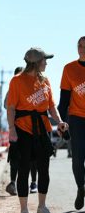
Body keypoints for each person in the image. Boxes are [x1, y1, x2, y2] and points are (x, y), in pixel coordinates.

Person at [7, 47, 68, 213]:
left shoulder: (45, 80)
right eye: (44, 60)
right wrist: (11, 128)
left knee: (43, 169)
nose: (46, 63)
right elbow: (11, 107)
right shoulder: (17, 81)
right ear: (35, 62)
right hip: (22, 129)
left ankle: (42, 206)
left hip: (42, 130)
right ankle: (24, 208)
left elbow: (51, 106)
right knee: (23, 169)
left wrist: (60, 121)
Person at [58, 36, 85, 210]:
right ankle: (81, 188)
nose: (82, 48)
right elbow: (64, 101)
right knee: (77, 159)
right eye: (79, 45)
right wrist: (62, 123)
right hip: (77, 119)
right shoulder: (69, 69)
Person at [5, 67, 38, 196]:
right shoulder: (12, 89)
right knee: (14, 157)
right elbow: (6, 105)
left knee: (33, 157)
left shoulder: (30, 87)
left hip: (31, 128)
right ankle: (13, 183)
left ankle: (33, 182)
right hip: (15, 127)